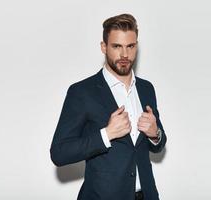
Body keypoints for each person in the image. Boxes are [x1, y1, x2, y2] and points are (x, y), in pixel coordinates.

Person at [50, 13, 167, 200]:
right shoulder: (82, 92)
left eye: (130, 46)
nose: (124, 54)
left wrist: (155, 134)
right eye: (116, 46)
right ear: (104, 47)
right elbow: (59, 153)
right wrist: (107, 134)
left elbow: (158, 145)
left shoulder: (146, 89)